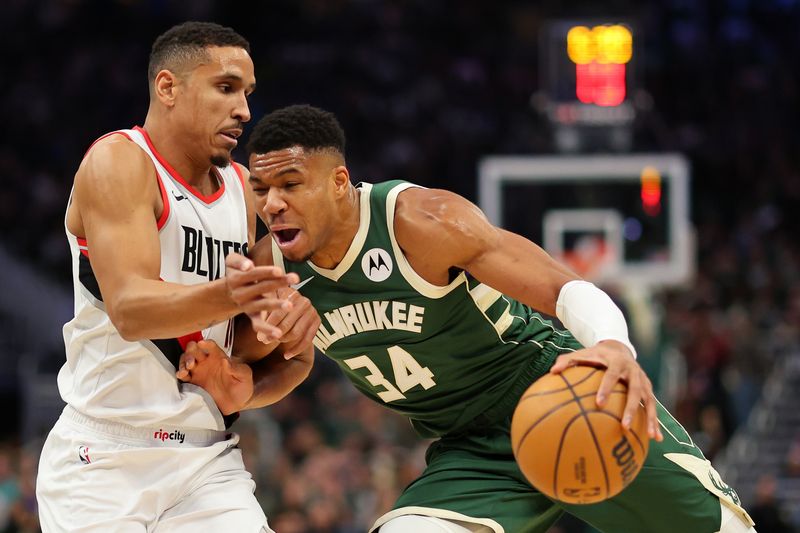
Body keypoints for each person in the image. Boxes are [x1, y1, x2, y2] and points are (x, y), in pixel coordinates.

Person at [179, 104, 757, 533]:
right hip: (470, 448)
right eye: (260, 188)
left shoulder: (422, 222)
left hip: (562, 394)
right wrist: (243, 383)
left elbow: (562, 287)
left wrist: (613, 345)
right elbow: (290, 363)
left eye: (289, 184)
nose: (271, 203)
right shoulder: (271, 269)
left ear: (338, 183)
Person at [36, 23, 319, 533]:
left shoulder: (245, 192)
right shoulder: (120, 162)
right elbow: (130, 310)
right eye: (226, 88)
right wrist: (231, 295)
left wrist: (268, 354)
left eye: (248, 94)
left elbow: (288, 358)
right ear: (168, 87)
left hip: (206, 463)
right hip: (103, 459)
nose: (244, 111)